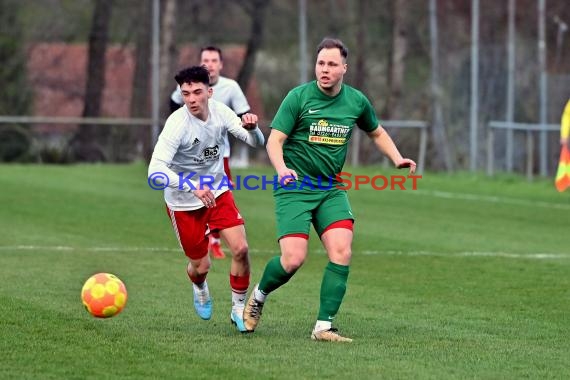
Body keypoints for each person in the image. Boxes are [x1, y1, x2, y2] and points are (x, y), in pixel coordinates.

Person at [243, 37, 416, 342]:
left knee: (342, 251)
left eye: (332, 64)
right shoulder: (298, 97)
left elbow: (376, 132)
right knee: (293, 259)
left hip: (331, 189)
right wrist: (282, 169)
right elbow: (275, 141)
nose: (324, 69)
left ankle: (324, 327)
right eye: (320, 63)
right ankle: (258, 295)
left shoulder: (356, 102)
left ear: (344, 69)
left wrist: (397, 157)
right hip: (294, 187)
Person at [149, 66, 264, 332]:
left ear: (209, 92)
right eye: (185, 93)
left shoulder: (221, 112)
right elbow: (155, 170)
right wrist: (192, 187)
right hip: (183, 202)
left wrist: (255, 129)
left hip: (218, 191)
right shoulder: (177, 125)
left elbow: (255, 142)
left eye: (197, 92)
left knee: (241, 249)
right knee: (200, 266)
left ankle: (238, 309)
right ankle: (199, 287)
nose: (191, 99)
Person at [170, 46, 252, 260]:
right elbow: (173, 103)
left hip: (219, 154)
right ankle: (206, 238)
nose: (210, 64)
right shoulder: (190, 85)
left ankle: (215, 241)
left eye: (214, 60)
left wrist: (244, 128)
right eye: (205, 59)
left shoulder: (231, 87)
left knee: (219, 195)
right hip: (191, 159)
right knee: (200, 193)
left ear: (221, 64)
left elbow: (244, 114)